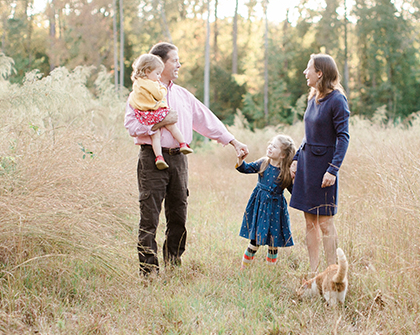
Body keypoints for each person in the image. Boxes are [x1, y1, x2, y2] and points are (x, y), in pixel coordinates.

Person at [124, 42, 249, 275]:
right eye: (175, 60)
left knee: (179, 215)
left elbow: (207, 120)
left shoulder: (183, 96)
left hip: (179, 160)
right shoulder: (140, 93)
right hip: (151, 158)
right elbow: (131, 125)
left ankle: (173, 265)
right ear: (160, 64)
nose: (179, 64)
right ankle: (149, 273)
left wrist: (234, 142)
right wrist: (157, 124)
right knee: (149, 217)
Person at [289, 53, 350, 273]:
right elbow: (308, 134)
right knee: (309, 223)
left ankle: (332, 273)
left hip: (324, 168)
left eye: (309, 69)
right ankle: (314, 273)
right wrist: (296, 158)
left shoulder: (337, 100)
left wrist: (333, 169)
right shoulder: (312, 98)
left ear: (320, 72)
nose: (305, 73)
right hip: (307, 165)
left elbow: (343, 137)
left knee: (325, 223)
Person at [236, 135, 296, 268]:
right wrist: (240, 159)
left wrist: (297, 178)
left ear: (283, 155)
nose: (270, 147)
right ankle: (244, 268)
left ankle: (270, 271)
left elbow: (295, 191)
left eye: (274, 146)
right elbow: (245, 168)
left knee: (273, 242)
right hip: (260, 206)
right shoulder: (263, 163)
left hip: (276, 208)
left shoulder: (286, 172)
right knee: (254, 241)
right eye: (270, 144)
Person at [129, 53, 193, 170]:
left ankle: (159, 157)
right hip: (156, 112)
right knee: (172, 126)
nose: (159, 77)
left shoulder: (136, 86)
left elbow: (133, 101)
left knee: (155, 136)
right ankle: (183, 143)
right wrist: (162, 87)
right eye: (157, 73)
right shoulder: (150, 84)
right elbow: (159, 95)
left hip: (145, 115)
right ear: (147, 71)